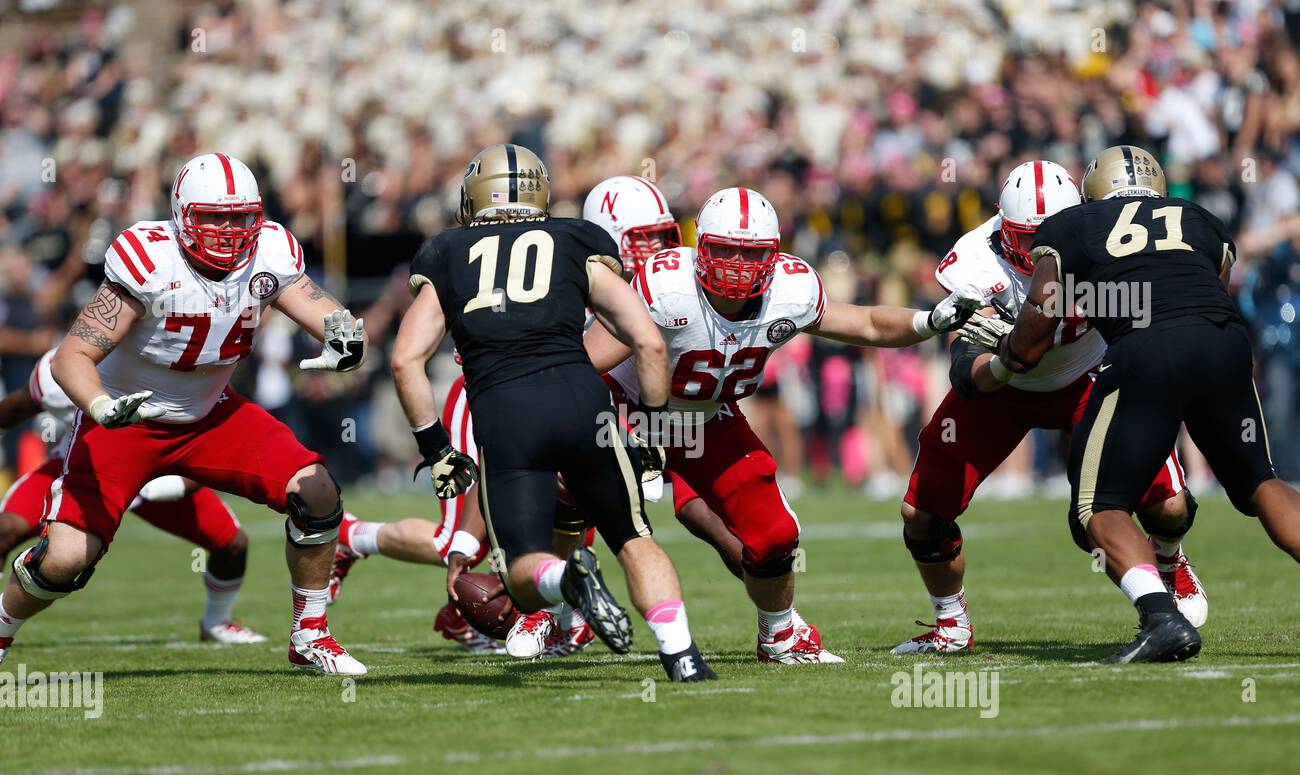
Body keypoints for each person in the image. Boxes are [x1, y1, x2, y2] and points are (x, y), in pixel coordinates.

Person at [0, 153, 367, 674]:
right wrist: (101, 406)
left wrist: (346, 337)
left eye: (239, 216)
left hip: (213, 415)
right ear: (182, 213)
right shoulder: (150, 259)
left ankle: (310, 633)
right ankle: (0, 630)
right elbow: (71, 357)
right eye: (214, 216)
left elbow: (326, 310)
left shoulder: (271, 251)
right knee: (63, 561)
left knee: (317, 492)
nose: (228, 230)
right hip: (127, 420)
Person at [584, 186, 979, 663]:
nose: (735, 264)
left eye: (750, 254)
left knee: (774, 534)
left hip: (707, 417)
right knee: (567, 495)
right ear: (699, 247)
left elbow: (868, 323)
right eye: (725, 249)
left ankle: (779, 636)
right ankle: (547, 615)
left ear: (774, 256)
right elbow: (588, 363)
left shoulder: (790, 291)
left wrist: (928, 320)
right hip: (625, 406)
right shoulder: (666, 286)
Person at [390, 144, 714, 681]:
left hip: (508, 417)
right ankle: (681, 655)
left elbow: (405, 360)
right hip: (583, 404)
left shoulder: (446, 252)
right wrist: (654, 430)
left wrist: (436, 448)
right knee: (633, 537)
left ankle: (565, 582)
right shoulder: (573, 238)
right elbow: (649, 343)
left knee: (520, 569)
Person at [1001, 145, 1300, 663]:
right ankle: (1166, 593)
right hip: (1224, 342)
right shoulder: (1202, 219)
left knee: (1097, 506)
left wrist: (1007, 351)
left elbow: (1036, 325)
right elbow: (1212, 288)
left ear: (1094, 190)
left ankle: (1162, 618)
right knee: (1260, 481)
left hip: (1147, 348)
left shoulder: (1071, 224)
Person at [893, 160, 1205, 655]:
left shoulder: (1106, 235)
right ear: (1001, 226)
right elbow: (964, 368)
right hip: (1004, 390)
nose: (1035, 247)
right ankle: (950, 623)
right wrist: (998, 367)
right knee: (922, 512)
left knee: (1168, 507)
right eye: (1022, 236)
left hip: (1092, 377)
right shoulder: (975, 261)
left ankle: (1168, 560)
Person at [0, 350, 267, 644]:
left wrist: (175, 485)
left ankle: (217, 622)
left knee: (232, 544)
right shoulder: (58, 370)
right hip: (81, 467)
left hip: (155, 470)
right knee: (7, 529)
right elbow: (16, 408)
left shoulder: (168, 362)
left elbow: (211, 439)